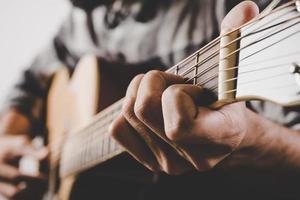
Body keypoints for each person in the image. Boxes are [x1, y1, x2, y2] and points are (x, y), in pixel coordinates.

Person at [0, 0, 299, 199]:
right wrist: (9, 136)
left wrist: (249, 139)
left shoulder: (230, 7)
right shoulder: (84, 20)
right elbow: (30, 80)